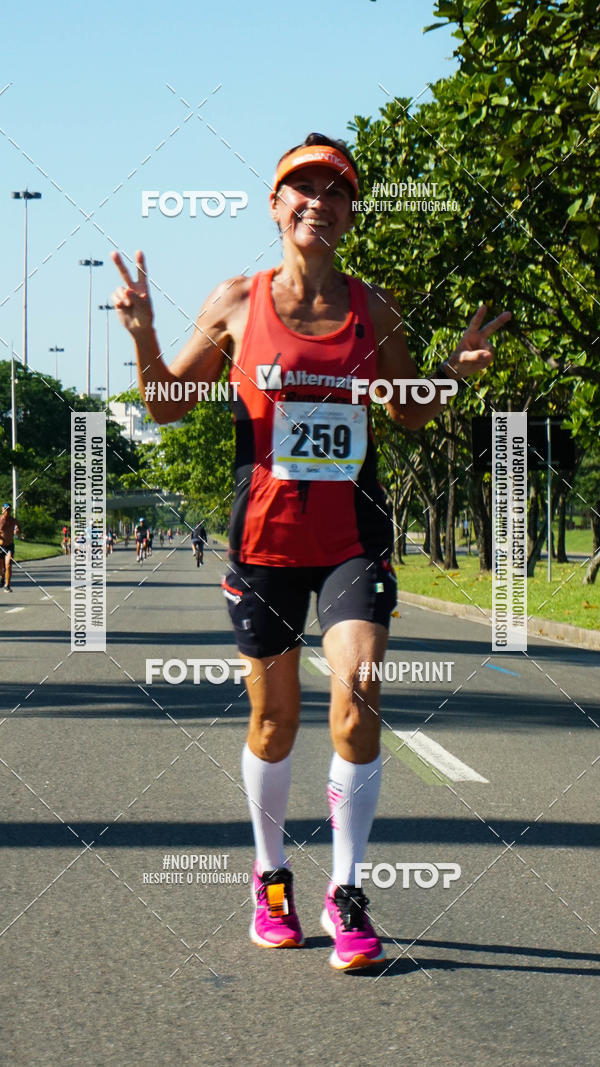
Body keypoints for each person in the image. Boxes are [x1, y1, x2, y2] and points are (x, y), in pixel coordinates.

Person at [111, 133, 510, 970]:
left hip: (350, 542)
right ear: (275, 204)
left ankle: (350, 889)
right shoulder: (235, 302)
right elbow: (169, 403)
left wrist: (452, 374)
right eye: (302, 188)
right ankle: (271, 876)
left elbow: (405, 412)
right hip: (262, 544)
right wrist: (146, 334)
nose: (316, 202)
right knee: (273, 719)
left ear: (350, 212)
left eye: (334, 192)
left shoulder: (375, 308)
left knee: (360, 694)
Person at [0, 503, 21, 592]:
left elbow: (19, 529)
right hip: (0, 546)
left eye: (9, 509)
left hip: (9, 546)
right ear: (2, 510)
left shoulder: (13, 520)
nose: (7, 511)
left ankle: (7, 585)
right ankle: (2, 576)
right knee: (0, 567)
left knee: (8, 565)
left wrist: (17, 531)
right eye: (5, 509)